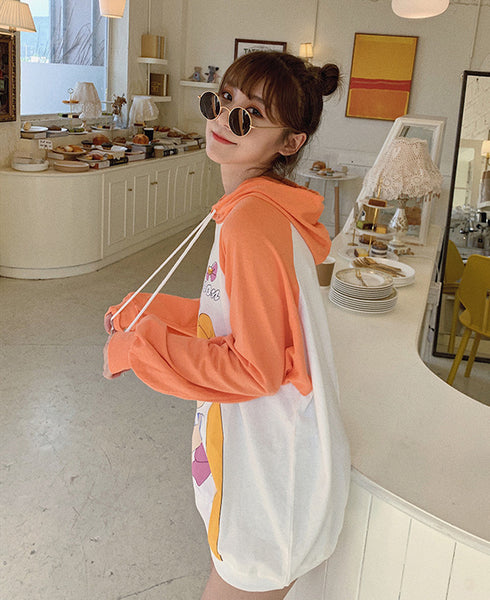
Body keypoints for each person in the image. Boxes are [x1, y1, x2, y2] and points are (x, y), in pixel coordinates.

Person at [103, 50, 350, 600]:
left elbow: (255, 368)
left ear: (290, 142)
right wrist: (151, 311)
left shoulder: (251, 222)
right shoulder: (260, 209)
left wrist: (139, 349)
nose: (224, 119)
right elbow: (234, 315)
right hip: (266, 455)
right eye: (224, 99)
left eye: (251, 114)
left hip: (266, 473)